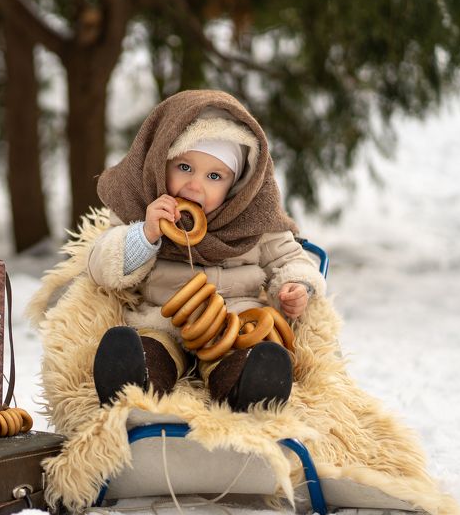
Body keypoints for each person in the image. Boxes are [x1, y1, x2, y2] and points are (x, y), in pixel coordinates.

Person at [88, 89, 326, 411]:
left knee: (241, 356)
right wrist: (144, 234)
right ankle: (134, 377)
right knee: (150, 347)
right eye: (184, 167)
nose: (194, 185)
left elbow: (290, 257)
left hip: (233, 324)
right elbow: (101, 266)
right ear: (163, 161)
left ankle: (251, 385)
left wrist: (297, 286)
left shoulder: (254, 221)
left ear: (236, 186)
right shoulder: (145, 210)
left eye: (214, 176)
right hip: (164, 319)